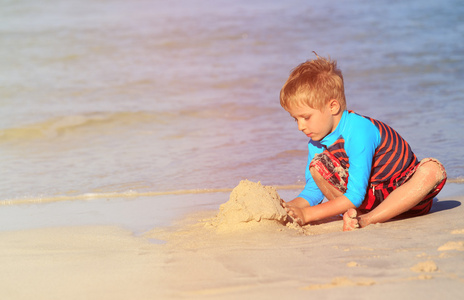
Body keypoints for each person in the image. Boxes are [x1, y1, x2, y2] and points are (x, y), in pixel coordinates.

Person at [279, 53, 447, 231]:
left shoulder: (358, 130)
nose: (300, 126)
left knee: (432, 170)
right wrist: (288, 207)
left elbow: (355, 195)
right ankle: (356, 216)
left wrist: (307, 215)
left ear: (333, 106)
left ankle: (367, 220)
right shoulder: (316, 143)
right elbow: (313, 192)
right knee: (317, 166)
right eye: (295, 119)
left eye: (305, 117)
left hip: (406, 196)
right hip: (370, 198)